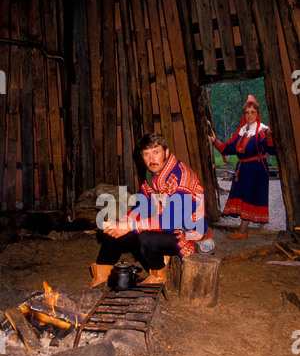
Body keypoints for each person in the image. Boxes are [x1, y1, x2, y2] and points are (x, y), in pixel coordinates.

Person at [86, 132, 214, 289]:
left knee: (145, 239)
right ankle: (101, 277)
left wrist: (130, 226)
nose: (151, 159)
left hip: (186, 233)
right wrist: (121, 223)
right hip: (162, 226)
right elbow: (142, 207)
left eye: (156, 152)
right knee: (112, 232)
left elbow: (171, 222)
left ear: (166, 152)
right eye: (146, 154)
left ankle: (158, 276)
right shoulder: (153, 177)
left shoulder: (182, 179)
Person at [209, 94, 275, 239]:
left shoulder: (263, 131)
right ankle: (251, 225)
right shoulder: (242, 131)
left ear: (258, 114)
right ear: (244, 115)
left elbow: (272, 151)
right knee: (245, 197)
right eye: (247, 112)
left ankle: (243, 231)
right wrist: (215, 141)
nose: (250, 115)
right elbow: (229, 148)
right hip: (244, 169)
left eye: (253, 112)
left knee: (250, 197)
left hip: (257, 169)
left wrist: (270, 136)